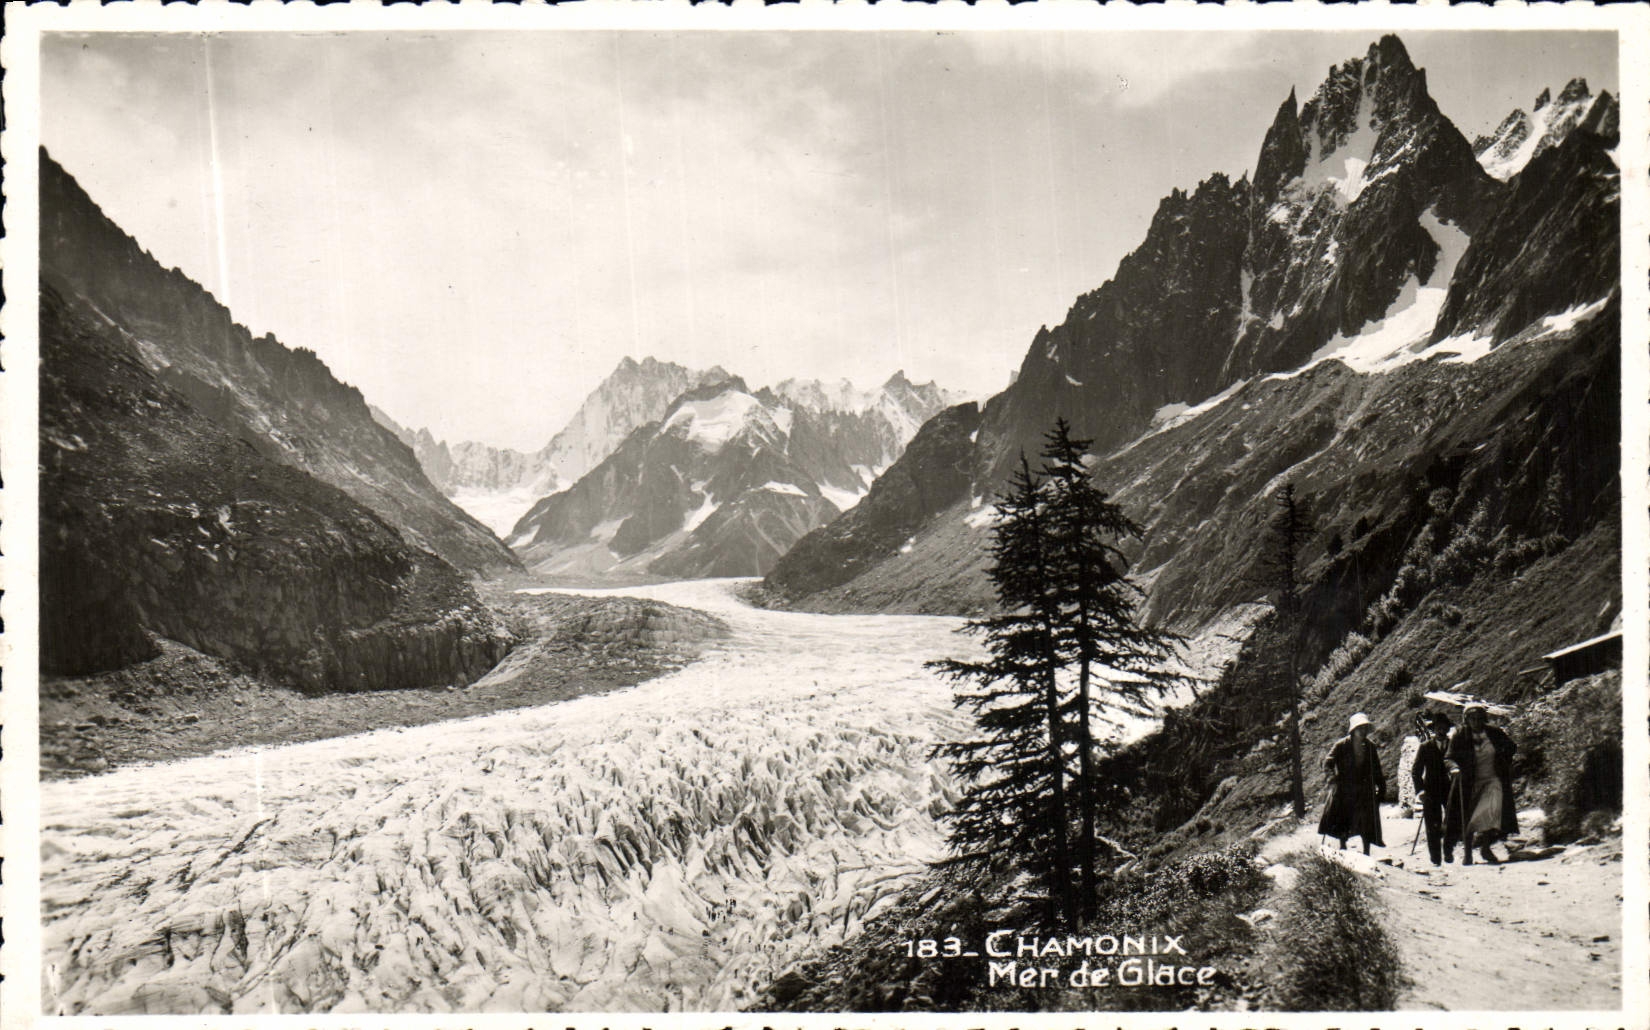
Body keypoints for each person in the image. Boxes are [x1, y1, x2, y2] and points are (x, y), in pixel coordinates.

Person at [1444, 703, 1518, 865]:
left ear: (1484, 719)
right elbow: (1448, 758)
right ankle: (1468, 852)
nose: (1476, 722)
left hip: (1492, 778)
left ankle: (1485, 848)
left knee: (1489, 812)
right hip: (1469, 782)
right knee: (1469, 816)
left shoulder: (1495, 733)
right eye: (1472, 719)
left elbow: (1511, 747)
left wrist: (1503, 760)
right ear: (1466, 720)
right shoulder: (1460, 735)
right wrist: (1454, 768)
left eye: (1479, 719)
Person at [1318, 712, 1386, 855]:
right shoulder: (1341, 745)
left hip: (1365, 788)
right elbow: (1328, 763)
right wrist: (1332, 779)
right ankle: (1343, 847)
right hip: (1345, 788)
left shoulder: (1370, 746)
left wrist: (1381, 786)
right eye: (1360, 728)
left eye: (1365, 728)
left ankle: (1366, 850)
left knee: (1366, 820)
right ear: (1353, 730)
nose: (1363, 731)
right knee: (1344, 817)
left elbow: (1376, 768)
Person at [1411, 711, 1453, 865]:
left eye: (1444, 728)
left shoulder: (1454, 745)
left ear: (1448, 729)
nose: (1441, 731)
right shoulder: (1425, 747)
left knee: (1452, 821)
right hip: (1430, 790)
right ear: (1433, 729)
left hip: (1450, 789)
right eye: (1438, 728)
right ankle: (1435, 857)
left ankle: (1448, 852)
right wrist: (1420, 791)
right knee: (1432, 824)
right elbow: (1416, 771)